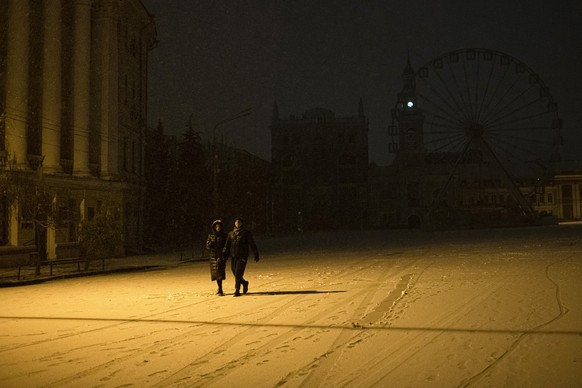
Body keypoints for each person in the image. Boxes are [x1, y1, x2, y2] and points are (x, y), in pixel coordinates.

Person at [222, 217, 260, 297]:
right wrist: (224, 254)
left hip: (242, 256)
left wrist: (256, 253)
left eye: (239, 222)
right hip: (233, 256)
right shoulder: (231, 233)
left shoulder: (246, 233)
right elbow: (227, 245)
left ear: (242, 223)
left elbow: (252, 244)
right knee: (234, 272)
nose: (237, 223)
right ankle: (244, 283)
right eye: (236, 222)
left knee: (238, 273)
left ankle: (237, 289)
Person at [205, 219, 227, 296]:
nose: (218, 228)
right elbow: (207, 246)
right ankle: (219, 288)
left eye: (219, 226)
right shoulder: (211, 236)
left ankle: (220, 289)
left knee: (220, 272)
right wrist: (210, 245)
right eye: (216, 226)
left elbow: (226, 246)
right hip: (213, 257)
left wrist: (223, 255)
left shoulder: (224, 236)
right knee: (216, 274)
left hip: (221, 256)